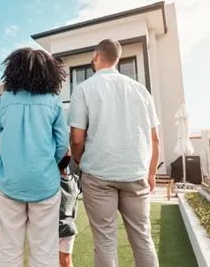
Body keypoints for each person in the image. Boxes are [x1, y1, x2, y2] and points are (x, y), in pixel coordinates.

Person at [68, 39, 160, 267]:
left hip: (98, 175)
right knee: (142, 238)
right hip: (136, 174)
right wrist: (151, 173)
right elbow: (154, 138)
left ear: (96, 55)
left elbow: (76, 138)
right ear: (118, 59)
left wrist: (79, 160)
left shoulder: (83, 89)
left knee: (105, 242)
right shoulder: (141, 91)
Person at [0, 47, 68, 267]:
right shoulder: (54, 101)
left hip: (10, 184)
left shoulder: (5, 100)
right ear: (49, 72)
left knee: (9, 248)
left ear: (13, 70)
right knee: (45, 250)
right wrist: (50, 164)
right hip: (45, 184)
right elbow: (62, 143)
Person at [57, 157, 80, 267]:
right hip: (70, 228)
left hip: (54, 229)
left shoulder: (51, 183)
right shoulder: (75, 180)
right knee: (66, 261)